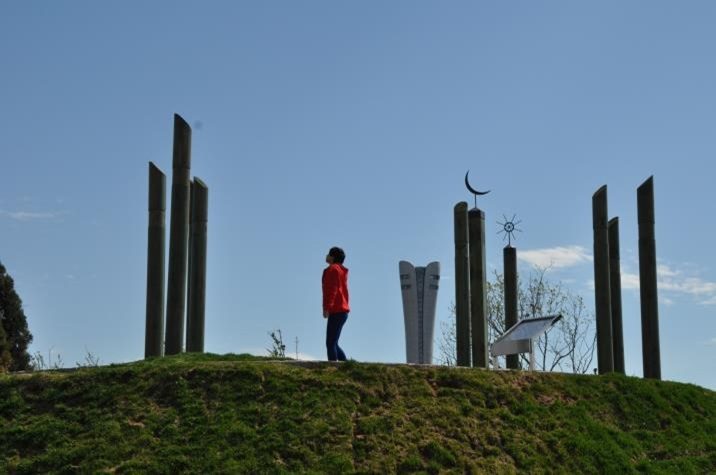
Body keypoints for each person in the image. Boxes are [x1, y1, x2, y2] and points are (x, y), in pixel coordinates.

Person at [322, 246, 350, 361]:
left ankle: (333, 368)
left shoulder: (332, 269)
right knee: (334, 343)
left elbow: (331, 290)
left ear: (332, 257)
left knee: (330, 343)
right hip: (342, 310)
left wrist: (327, 308)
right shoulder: (340, 270)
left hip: (336, 310)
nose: (326, 256)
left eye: (328, 254)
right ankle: (346, 366)